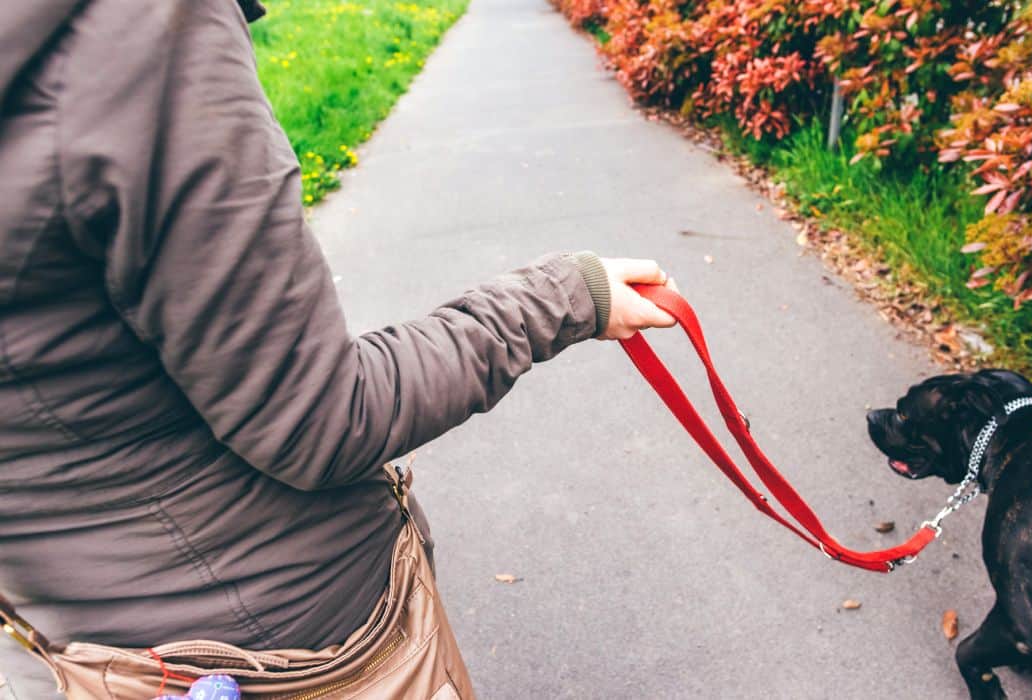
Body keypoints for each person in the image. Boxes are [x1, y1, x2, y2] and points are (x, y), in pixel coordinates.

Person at [0, 0, 676, 696]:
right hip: (298, 643)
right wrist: (564, 295)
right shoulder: (140, 27)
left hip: (80, 650)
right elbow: (320, 420)